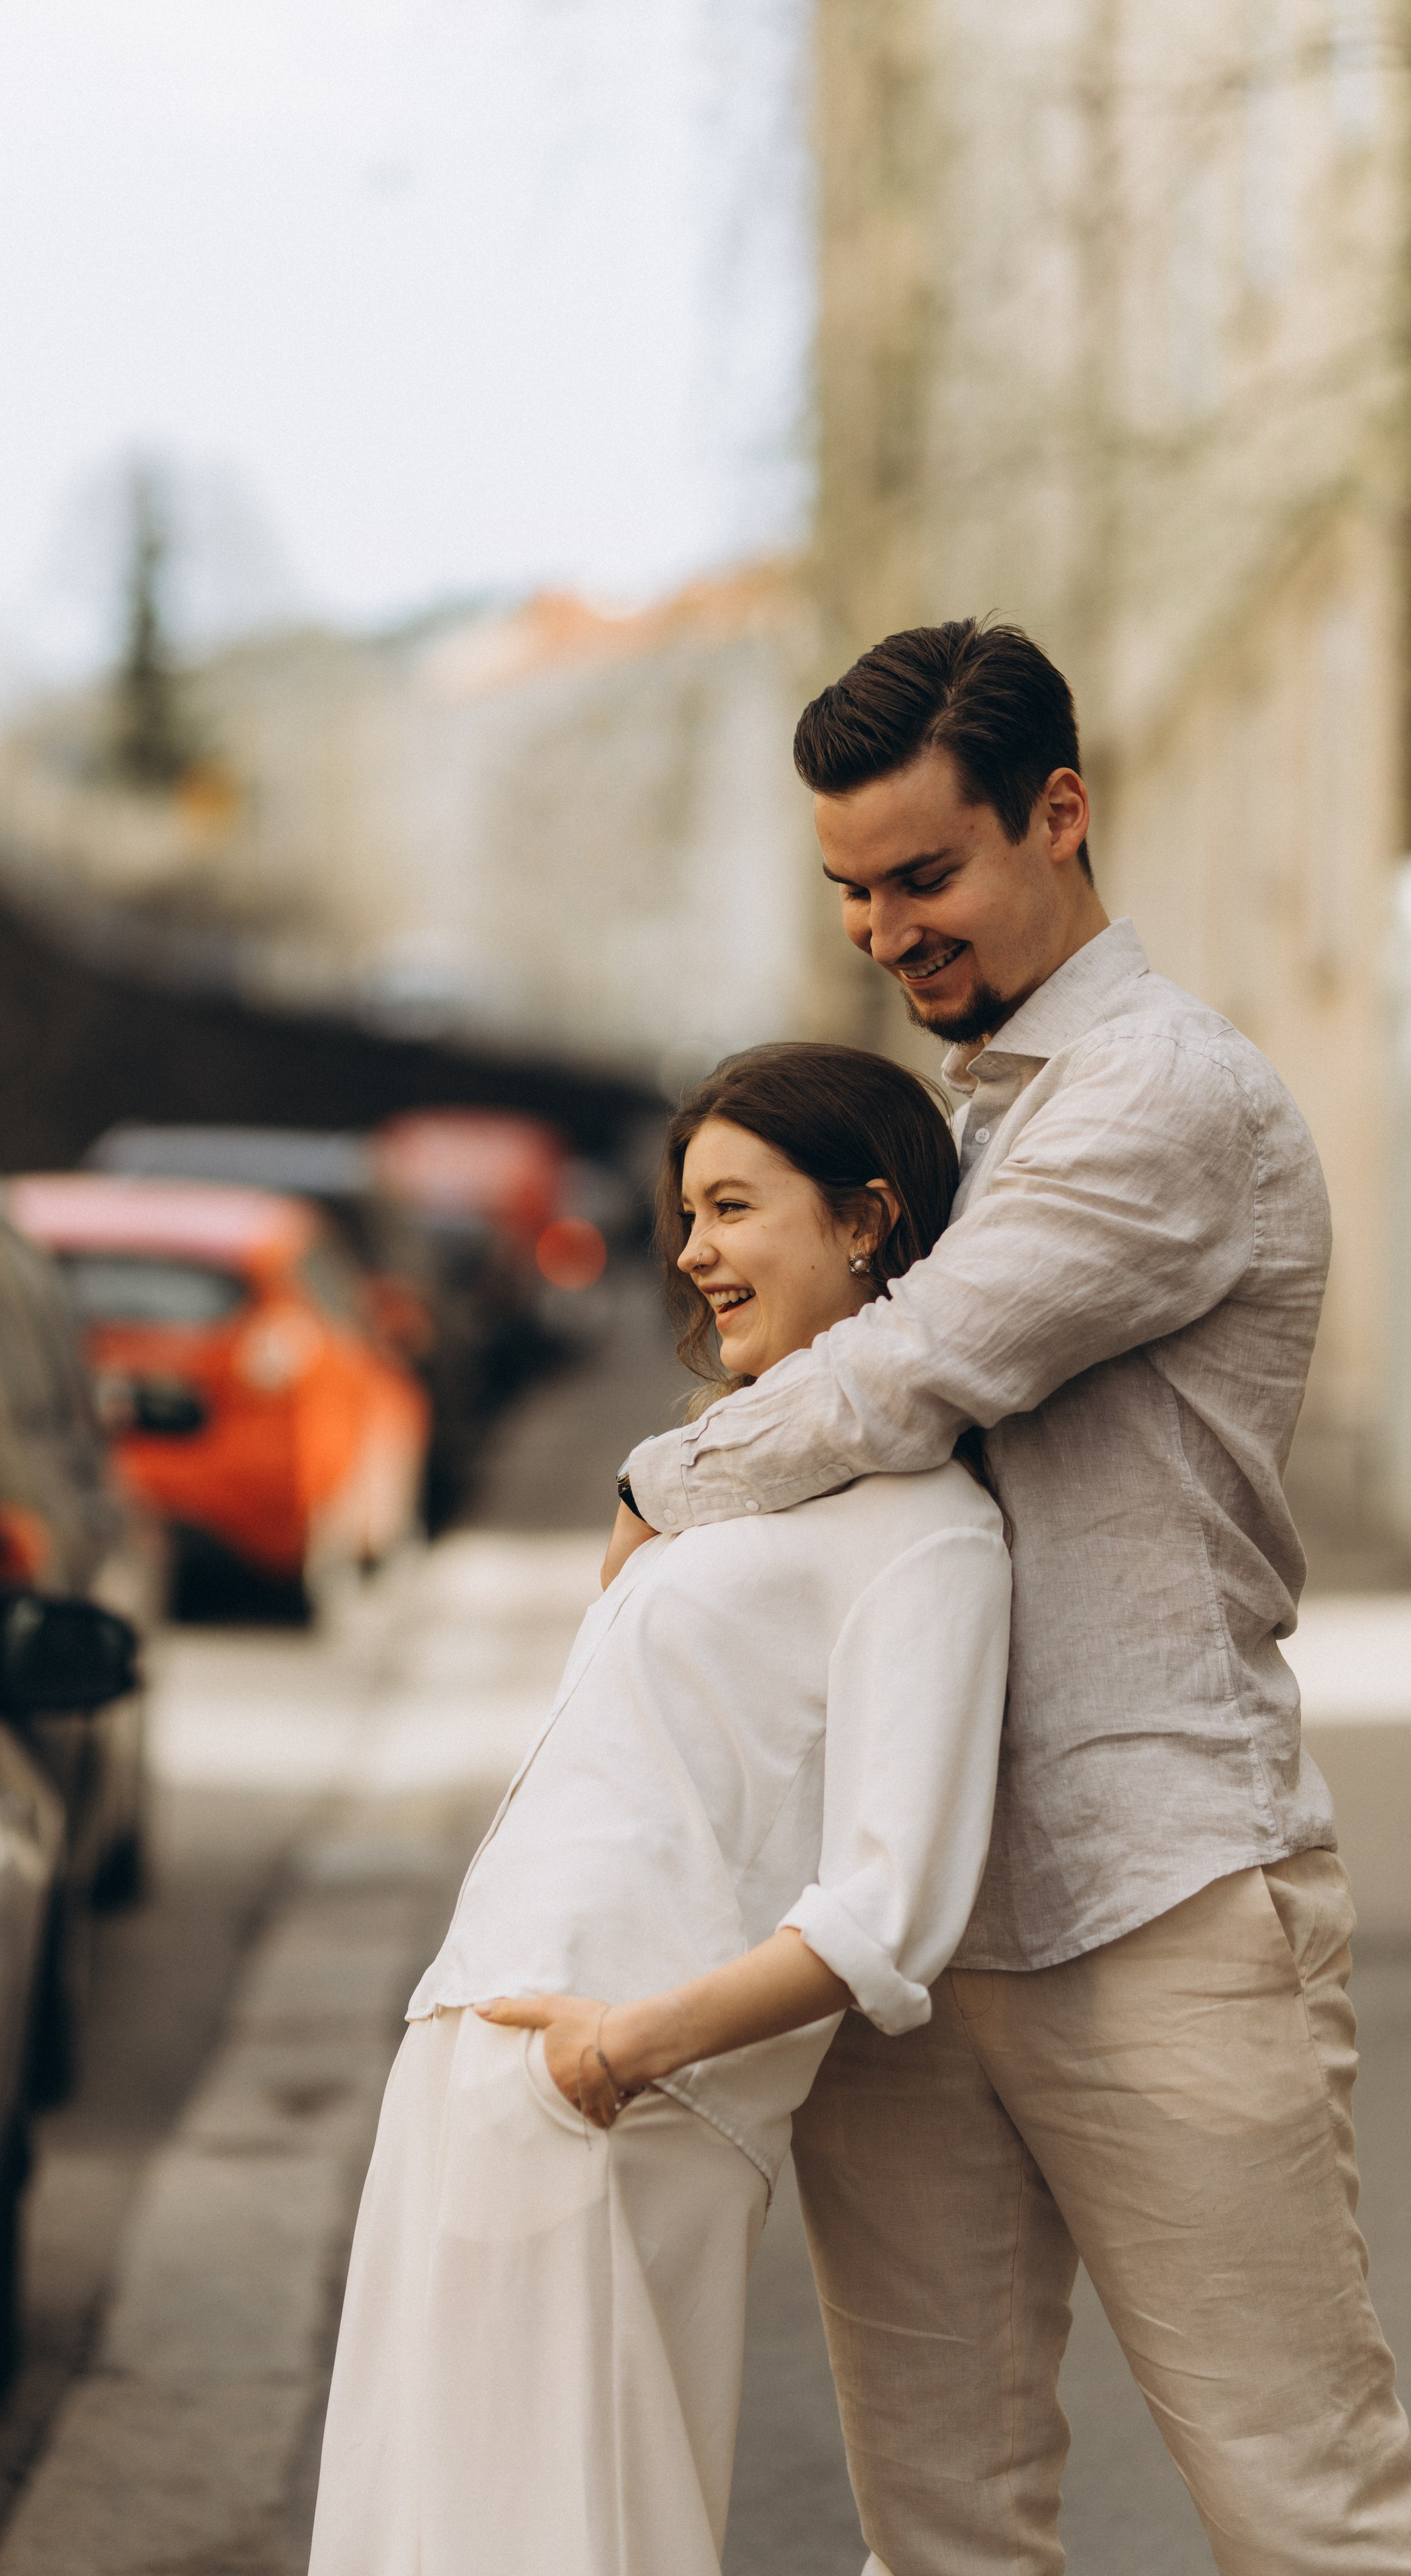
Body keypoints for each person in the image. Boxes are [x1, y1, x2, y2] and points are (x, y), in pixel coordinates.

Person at [610, 616, 1411, 2574]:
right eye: (853, 895)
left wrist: (655, 1486)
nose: (887, 932)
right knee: (944, 2541)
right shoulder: (971, 1117)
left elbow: (909, 1376)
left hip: (1157, 1907)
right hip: (900, 1925)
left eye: (926, 877)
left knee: (1307, 2517)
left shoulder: (1161, 1097)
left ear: (1061, 814)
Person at [307, 1044, 1011, 2576]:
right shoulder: (725, 1485)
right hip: (479, 2052)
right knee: (426, 2534)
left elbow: (890, 1910)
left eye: (731, 1205)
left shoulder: (931, 1541)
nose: (688, 1251)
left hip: (623, 2094)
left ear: (866, 1219)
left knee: (581, 2538)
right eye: (684, 1210)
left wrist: (620, 2051)